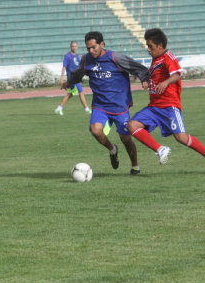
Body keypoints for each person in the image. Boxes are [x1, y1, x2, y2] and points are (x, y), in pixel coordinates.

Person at [127, 28, 205, 172]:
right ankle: (160, 149)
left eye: (150, 46)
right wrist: (147, 80)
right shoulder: (155, 59)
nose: (148, 49)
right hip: (154, 107)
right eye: (147, 46)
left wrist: (166, 82)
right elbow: (156, 76)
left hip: (169, 106)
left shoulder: (168, 57)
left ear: (160, 46)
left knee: (181, 137)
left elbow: (177, 74)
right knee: (132, 125)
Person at [63, 31, 150, 175]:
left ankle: (135, 166)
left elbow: (138, 68)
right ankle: (112, 149)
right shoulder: (86, 59)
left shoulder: (116, 58)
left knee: (126, 139)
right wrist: (69, 82)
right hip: (100, 106)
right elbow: (79, 73)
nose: (91, 51)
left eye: (94, 47)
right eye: (88, 48)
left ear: (102, 44)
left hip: (120, 107)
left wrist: (144, 79)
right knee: (95, 130)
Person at [54, 41, 91, 116]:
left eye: (75, 46)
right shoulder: (68, 56)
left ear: (77, 47)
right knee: (81, 92)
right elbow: (64, 66)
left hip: (76, 78)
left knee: (70, 94)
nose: (74, 47)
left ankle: (59, 108)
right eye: (73, 46)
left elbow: (79, 67)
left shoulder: (77, 56)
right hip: (72, 78)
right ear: (71, 47)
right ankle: (87, 109)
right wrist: (62, 78)